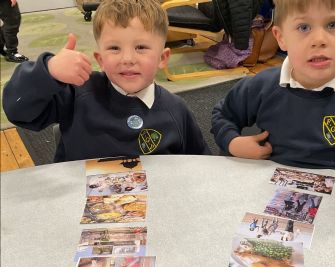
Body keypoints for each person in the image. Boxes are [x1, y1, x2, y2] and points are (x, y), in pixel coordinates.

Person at [211, 0, 335, 181]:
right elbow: (223, 115)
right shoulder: (261, 86)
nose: (319, 40)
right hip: (268, 191)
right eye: (303, 27)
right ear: (281, 38)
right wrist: (232, 142)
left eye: (333, 25)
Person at [3, 0, 210, 161]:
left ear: (162, 58)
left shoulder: (176, 110)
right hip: (79, 198)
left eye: (141, 47)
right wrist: (48, 71)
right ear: (100, 60)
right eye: (114, 48)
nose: (127, 59)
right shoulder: (77, 93)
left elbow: (200, 165)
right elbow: (18, 110)